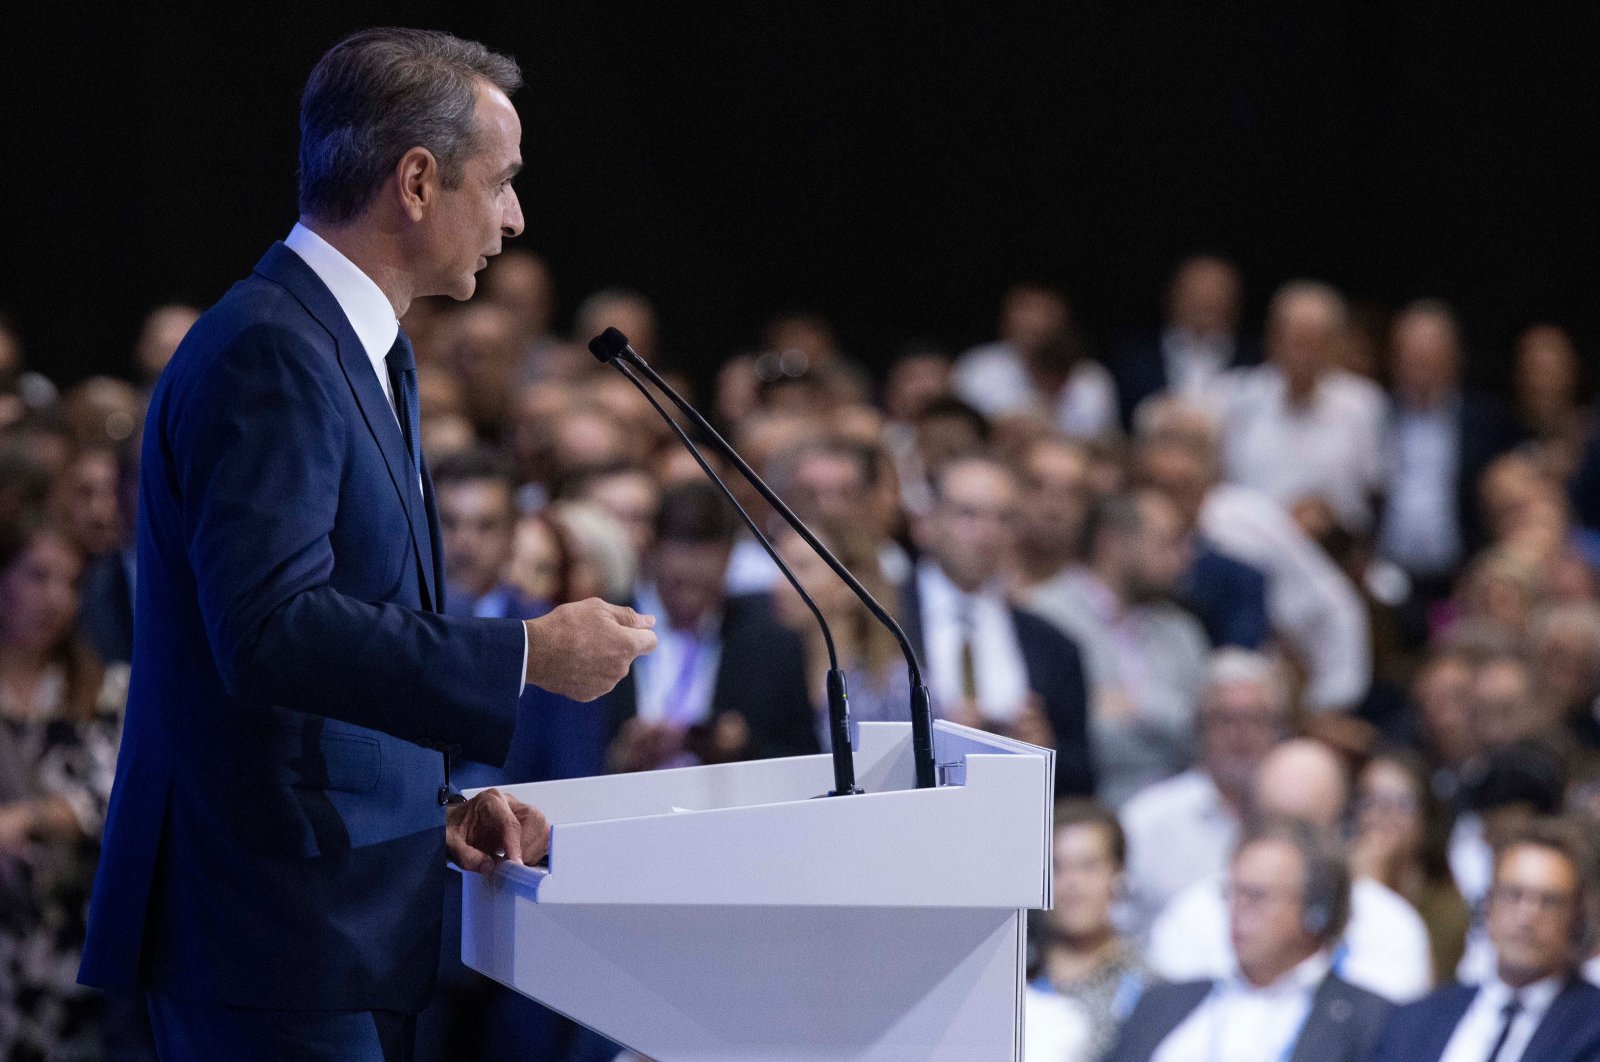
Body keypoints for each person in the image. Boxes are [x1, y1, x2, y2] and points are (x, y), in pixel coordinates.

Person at [77, 29, 657, 1060]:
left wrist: (426, 809)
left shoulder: (356, 350)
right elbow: (267, 628)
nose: (515, 217)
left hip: (325, 914)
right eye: (503, 183)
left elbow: (332, 653)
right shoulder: (271, 349)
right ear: (419, 182)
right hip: (262, 933)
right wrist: (525, 654)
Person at [1148, 739, 1434, 1002]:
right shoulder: (1194, 913)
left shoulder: (1389, 925)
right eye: (1272, 830)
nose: (1286, 854)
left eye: (1305, 835)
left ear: (1338, 828)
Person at [0, 514, 128, 1062]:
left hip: (77, 943)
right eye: (37, 577)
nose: (55, 598)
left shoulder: (104, 691)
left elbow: (116, 800)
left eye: (71, 583)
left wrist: (28, 819)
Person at [1104, 819, 1392, 1062]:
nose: (1237, 912)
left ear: (1316, 910)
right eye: (1233, 893)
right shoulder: (1161, 1002)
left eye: (1257, 897)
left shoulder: (1369, 1021)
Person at [902, 452, 1094, 796]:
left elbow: (1084, 773)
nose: (987, 533)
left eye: (1003, 519)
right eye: (968, 514)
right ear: (927, 523)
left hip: (1015, 814)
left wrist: (1042, 750)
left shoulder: (1053, 643)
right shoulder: (881, 620)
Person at [604, 482, 818, 772]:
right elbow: (562, 751)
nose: (693, 570)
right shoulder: (607, 627)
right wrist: (619, 756)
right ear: (651, 551)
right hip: (621, 799)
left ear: (730, 556)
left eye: (707, 557)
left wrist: (743, 745)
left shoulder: (771, 642)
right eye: (683, 554)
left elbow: (803, 757)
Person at [1025, 489, 1209, 807]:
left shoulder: (1182, 631)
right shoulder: (1042, 616)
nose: (1184, 558)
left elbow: (1203, 733)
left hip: (1179, 807)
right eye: (1166, 543)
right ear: (1114, 544)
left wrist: (1136, 705)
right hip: (1079, 807)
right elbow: (1060, 739)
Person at [1371, 818, 1600, 1061]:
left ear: (1576, 917)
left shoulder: (1593, 1027)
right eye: (1513, 894)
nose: (1527, 916)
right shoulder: (1416, 1019)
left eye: (1549, 901)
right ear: (1488, 905)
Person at [1121, 649, 1289, 932]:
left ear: (1279, 730)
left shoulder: (1296, 814)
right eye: (1225, 719)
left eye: (1255, 719)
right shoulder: (1146, 820)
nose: (1241, 733)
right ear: (1200, 728)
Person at [1032, 800, 1156, 1058]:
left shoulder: (1148, 989)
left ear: (1118, 875)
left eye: (1088, 866)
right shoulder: (1010, 975)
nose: (1072, 883)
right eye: (1056, 867)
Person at [1350, 749, 1471, 983]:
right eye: (1370, 801)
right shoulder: (1338, 882)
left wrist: (1372, 891)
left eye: (1400, 803)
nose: (1382, 815)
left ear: (1425, 821)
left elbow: (1428, 989)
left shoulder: (1447, 906)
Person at [1108, 254, 1262, 430]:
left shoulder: (1256, 360)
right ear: (1171, 296)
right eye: (1197, 292)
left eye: (1217, 293)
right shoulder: (1134, 360)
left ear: (1236, 302)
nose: (1207, 301)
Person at [434, 446, 520, 615]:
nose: (464, 543)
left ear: (512, 532)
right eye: (449, 523)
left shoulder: (541, 622)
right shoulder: (398, 620)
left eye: (485, 526)